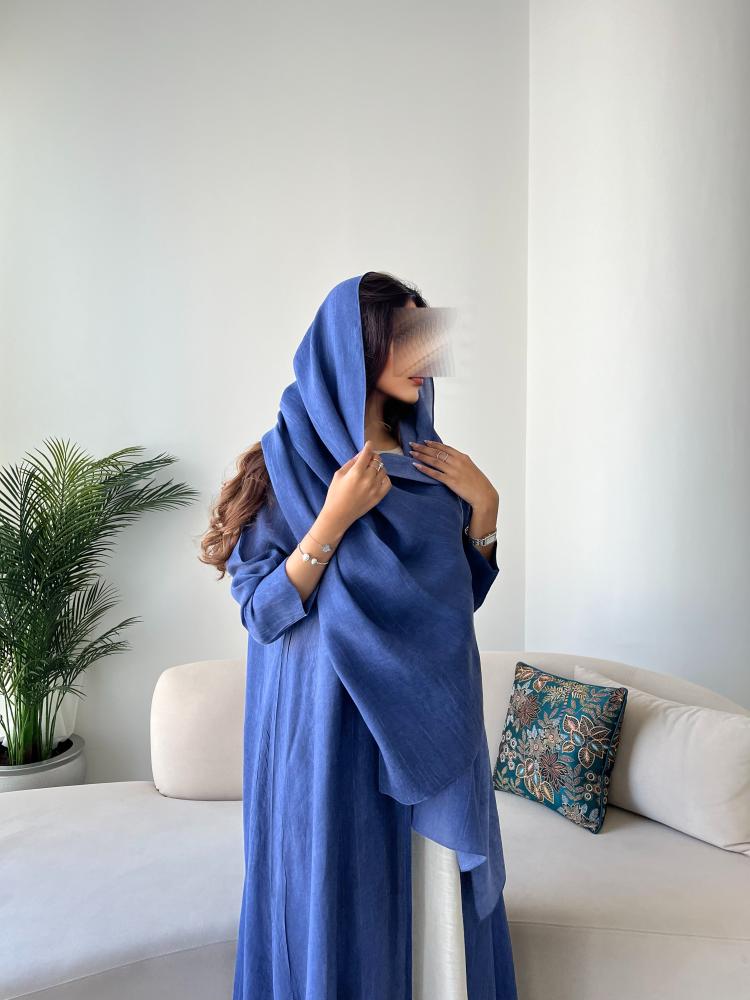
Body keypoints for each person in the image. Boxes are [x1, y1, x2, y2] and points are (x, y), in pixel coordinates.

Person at [201, 271, 518, 999]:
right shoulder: (286, 462)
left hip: (431, 720)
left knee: (429, 916)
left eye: (430, 334)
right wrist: (333, 519)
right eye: (407, 335)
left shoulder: (436, 463)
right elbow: (263, 614)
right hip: (329, 728)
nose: (427, 353)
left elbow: (453, 606)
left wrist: (486, 510)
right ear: (355, 346)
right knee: (337, 902)